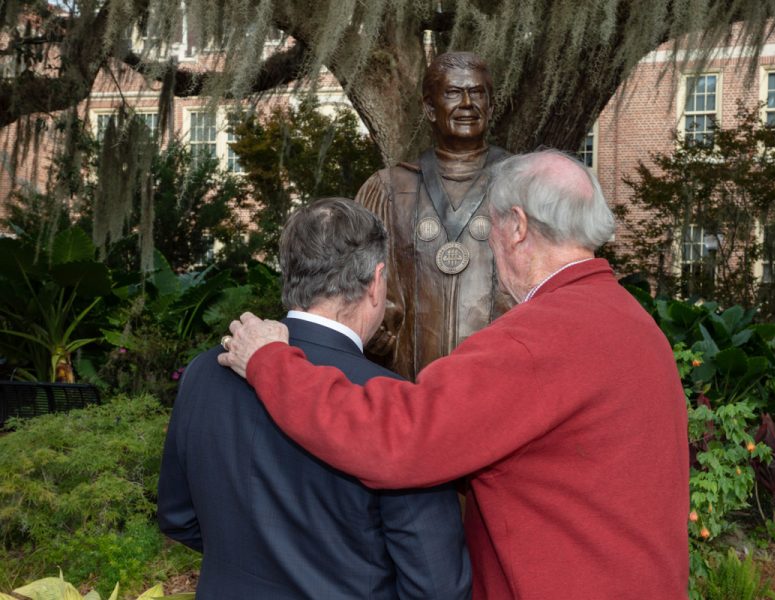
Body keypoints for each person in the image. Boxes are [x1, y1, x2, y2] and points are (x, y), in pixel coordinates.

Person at [218, 151, 690, 599]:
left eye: (491, 229)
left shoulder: (536, 340)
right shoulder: (634, 324)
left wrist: (270, 362)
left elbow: (398, 440)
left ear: (518, 227)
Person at [157, 198, 471, 600]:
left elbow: (178, 516)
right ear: (376, 282)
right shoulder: (394, 402)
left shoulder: (203, 373)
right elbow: (436, 584)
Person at [356, 51, 512, 380]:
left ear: (491, 107)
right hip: (408, 388)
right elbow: (356, 280)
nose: (467, 103)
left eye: (478, 93)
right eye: (454, 93)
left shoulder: (524, 184)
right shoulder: (389, 188)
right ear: (429, 108)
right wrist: (377, 323)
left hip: (502, 387)